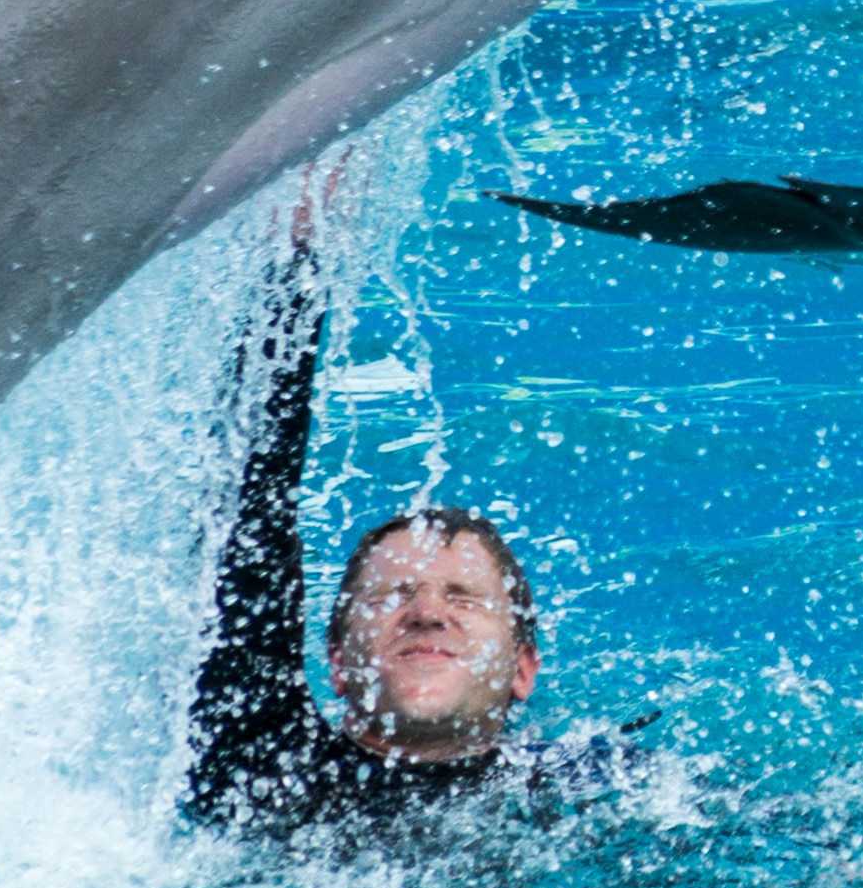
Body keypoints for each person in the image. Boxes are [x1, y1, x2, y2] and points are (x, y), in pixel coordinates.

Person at [183, 222, 625, 837]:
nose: (428, 616)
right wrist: (298, 255)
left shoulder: (601, 789)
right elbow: (246, 518)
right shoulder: (262, 769)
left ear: (524, 670)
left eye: (464, 599)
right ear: (337, 665)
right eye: (392, 597)